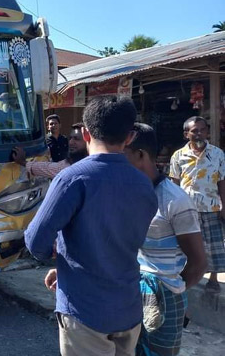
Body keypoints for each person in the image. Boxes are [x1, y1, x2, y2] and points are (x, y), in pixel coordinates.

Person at [24, 96, 158, 356]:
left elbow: (35, 240)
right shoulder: (144, 185)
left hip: (84, 308)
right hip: (128, 307)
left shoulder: (72, 178)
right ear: (130, 137)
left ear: (85, 133)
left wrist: (58, 258)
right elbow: (118, 238)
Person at [123, 123, 207, 356]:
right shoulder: (128, 194)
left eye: (122, 155)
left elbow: (198, 263)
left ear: (140, 155)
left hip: (166, 295)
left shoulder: (175, 201)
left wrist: (170, 291)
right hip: (131, 293)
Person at [169, 116, 225, 293]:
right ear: (187, 134)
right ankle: (187, 276)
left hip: (211, 206)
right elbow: (174, 184)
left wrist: (224, 206)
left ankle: (213, 279)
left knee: (213, 245)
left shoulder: (217, 154)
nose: (199, 133)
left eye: (202, 130)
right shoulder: (178, 156)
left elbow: (222, 182)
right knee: (187, 245)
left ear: (207, 132)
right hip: (187, 209)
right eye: (194, 131)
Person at [12, 122, 88, 179]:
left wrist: (23, 162)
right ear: (47, 126)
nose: (71, 142)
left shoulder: (87, 165)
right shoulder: (46, 141)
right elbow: (51, 167)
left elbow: (52, 168)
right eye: (70, 138)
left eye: (76, 139)